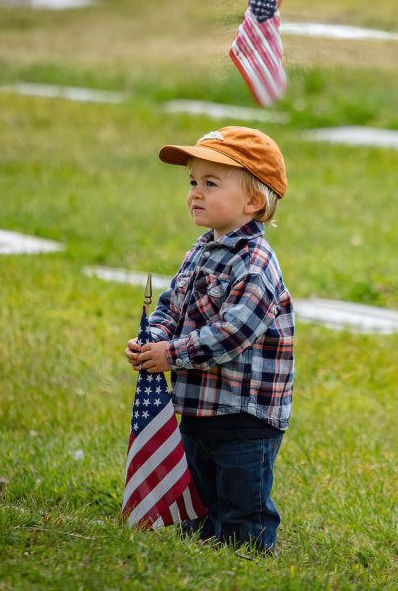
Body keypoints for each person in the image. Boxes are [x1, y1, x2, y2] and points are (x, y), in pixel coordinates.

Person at [125, 126, 294, 553]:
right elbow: (172, 304)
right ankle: (201, 561)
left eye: (210, 184)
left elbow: (232, 333)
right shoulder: (201, 250)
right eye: (193, 182)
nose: (195, 193)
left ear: (253, 201)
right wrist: (154, 339)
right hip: (197, 407)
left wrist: (173, 354)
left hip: (244, 414)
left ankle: (249, 561)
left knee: (242, 509)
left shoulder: (256, 264)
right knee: (196, 505)